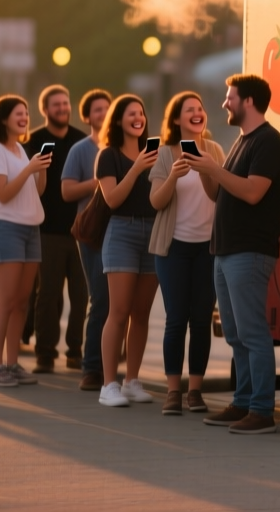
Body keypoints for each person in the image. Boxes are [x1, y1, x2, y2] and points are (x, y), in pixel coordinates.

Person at [189, 74, 280, 435]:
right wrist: (204, 169)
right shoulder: (242, 141)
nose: (224, 104)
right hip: (226, 251)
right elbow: (219, 193)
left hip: (249, 251)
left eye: (230, 98)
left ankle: (261, 410)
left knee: (252, 332)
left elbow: (252, 192)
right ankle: (243, 402)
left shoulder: (269, 141)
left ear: (248, 101)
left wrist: (214, 168)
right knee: (234, 333)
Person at [149, 91, 223, 416]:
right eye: (189, 109)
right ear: (177, 119)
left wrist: (206, 167)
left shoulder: (215, 150)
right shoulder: (166, 154)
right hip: (174, 248)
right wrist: (174, 176)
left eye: (200, 108)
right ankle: (173, 392)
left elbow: (219, 194)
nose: (197, 113)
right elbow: (156, 201)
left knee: (201, 320)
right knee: (176, 319)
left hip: (208, 249)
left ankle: (195, 391)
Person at [0, 94, 51, 387]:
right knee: (6, 301)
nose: (24, 118)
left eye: (26, 113)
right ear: (3, 119)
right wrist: (29, 169)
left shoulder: (20, 150)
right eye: (18, 114)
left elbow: (38, 191)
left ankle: (12, 363)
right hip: (5, 229)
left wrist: (40, 169)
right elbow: (4, 194)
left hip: (31, 229)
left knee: (22, 302)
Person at [95, 94, 161, 408]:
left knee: (141, 313)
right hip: (122, 231)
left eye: (141, 113)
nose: (138, 118)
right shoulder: (108, 156)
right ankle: (108, 384)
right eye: (131, 114)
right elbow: (112, 199)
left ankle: (131, 381)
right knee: (119, 311)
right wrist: (136, 169)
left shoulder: (154, 152)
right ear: (118, 120)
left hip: (153, 232)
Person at [23, 85, 88, 373]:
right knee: (47, 295)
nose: (62, 108)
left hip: (80, 231)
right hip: (47, 230)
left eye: (65, 103)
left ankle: (76, 351)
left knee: (81, 296)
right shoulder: (33, 140)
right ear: (45, 110)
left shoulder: (81, 141)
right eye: (56, 104)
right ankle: (45, 354)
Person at [61, 88, 111, 391]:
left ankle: (112, 366)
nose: (103, 114)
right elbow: (67, 192)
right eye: (97, 110)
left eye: (107, 108)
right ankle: (91, 367)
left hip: (123, 232)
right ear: (87, 116)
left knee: (121, 305)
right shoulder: (80, 150)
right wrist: (102, 181)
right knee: (100, 300)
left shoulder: (125, 146)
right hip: (93, 233)